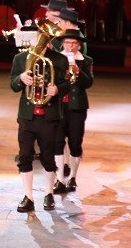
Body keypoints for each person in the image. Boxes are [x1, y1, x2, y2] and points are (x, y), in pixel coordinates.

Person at [10, 25, 71, 213]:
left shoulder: (59, 59)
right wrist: (21, 78)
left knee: (48, 157)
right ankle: (28, 197)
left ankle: (48, 193)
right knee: (25, 156)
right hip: (27, 116)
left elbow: (67, 84)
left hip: (49, 116)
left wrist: (58, 90)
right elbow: (13, 85)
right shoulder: (21, 58)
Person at [51, 29, 93, 193]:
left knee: (75, 142)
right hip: (59, 105)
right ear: (62, 44)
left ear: (79, 45)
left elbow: (88, 82)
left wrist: (77, 70)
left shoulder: (86, 61)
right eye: (67, 43)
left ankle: (73, 177)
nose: (70, 46)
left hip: (77, 107)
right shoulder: (56, 59)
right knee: (57, 142)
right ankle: (60, 179)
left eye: (74, 43)